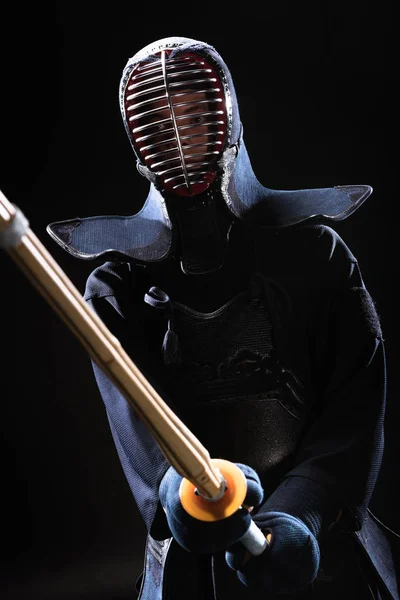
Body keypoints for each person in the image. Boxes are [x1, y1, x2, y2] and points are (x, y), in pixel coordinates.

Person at [46, 36, 398, 599]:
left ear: (228, 120)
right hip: (192, 559)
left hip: (319, 549)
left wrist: (304, 512)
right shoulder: (117, 288)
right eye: (162, 121)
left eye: (194, 113)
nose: (181, 137)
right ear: (140, 145)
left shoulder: (318, 258)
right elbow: (135, 423)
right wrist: (172, 490)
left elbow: (354, 414)